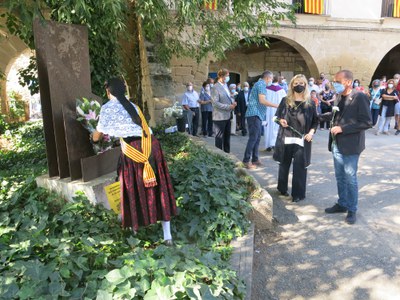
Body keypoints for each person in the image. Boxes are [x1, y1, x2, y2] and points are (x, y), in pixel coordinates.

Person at [94, 77, 177, 244]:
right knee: (158, 185)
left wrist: (92, 134)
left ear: (108, 91)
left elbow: (97, 136)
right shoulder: (134, 106)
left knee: (133, 185)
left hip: (133, 150)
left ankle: (136, 231)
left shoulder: (107, 108)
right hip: (151, 146)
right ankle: (167, 235)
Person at [323, 70, 372, 225]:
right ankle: (342, 203)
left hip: (351, 145)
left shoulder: (360, 97)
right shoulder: (338, 96)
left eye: (338, 81)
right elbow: (336, 116)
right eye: (334, 81)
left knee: (350, 178)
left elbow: (367, 122)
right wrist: (317, 117)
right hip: (337, 143)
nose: (335, 84)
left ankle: (352, 209)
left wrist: (343, 129)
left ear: (348, 82)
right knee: (340, 176)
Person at [273, 74, 318, 202]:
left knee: (300, 166)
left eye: (302, 83)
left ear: (305, 85)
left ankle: (298, 194)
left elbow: (316, 121)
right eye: (296, 83)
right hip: (286, 137)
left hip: (302, 139)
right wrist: (280, 121)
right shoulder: (285, 100)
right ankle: (282, 188)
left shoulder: (310, 103)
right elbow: (276, 117)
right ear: (292, 85)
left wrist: (311, 132)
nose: (299, 85)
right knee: (284, 164)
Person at [242, 70, 278, 169]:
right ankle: (246, 160)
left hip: (257, 115)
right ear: (267, 78)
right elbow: (262, 101)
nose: (271, 80)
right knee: (253, 138)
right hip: (254, 114)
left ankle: (255, 159)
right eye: (271, 78)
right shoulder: (261, 84)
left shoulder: (259, 84)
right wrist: (276, 105)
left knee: (257, 138)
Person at [211, 69, 237, 153]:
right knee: (219, 138)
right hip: (219, 116)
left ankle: (227, 154)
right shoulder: (215, 87)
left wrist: (233, 102)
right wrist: (228, 106)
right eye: (227, 76)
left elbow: (227, 97)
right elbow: (215, 103)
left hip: (227, 115)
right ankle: (219, 155)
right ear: (221, 76)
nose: (228, 77)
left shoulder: (225, 85)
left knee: (227, 137)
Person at [264, 75, 287, 151]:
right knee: (276, 127)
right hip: (278, 110)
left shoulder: (266, 89)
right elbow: (285, 102)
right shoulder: (282, 90)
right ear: (278, 80)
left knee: (268, 127)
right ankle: (274, 143)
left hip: (268, 110)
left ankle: (268, 145)